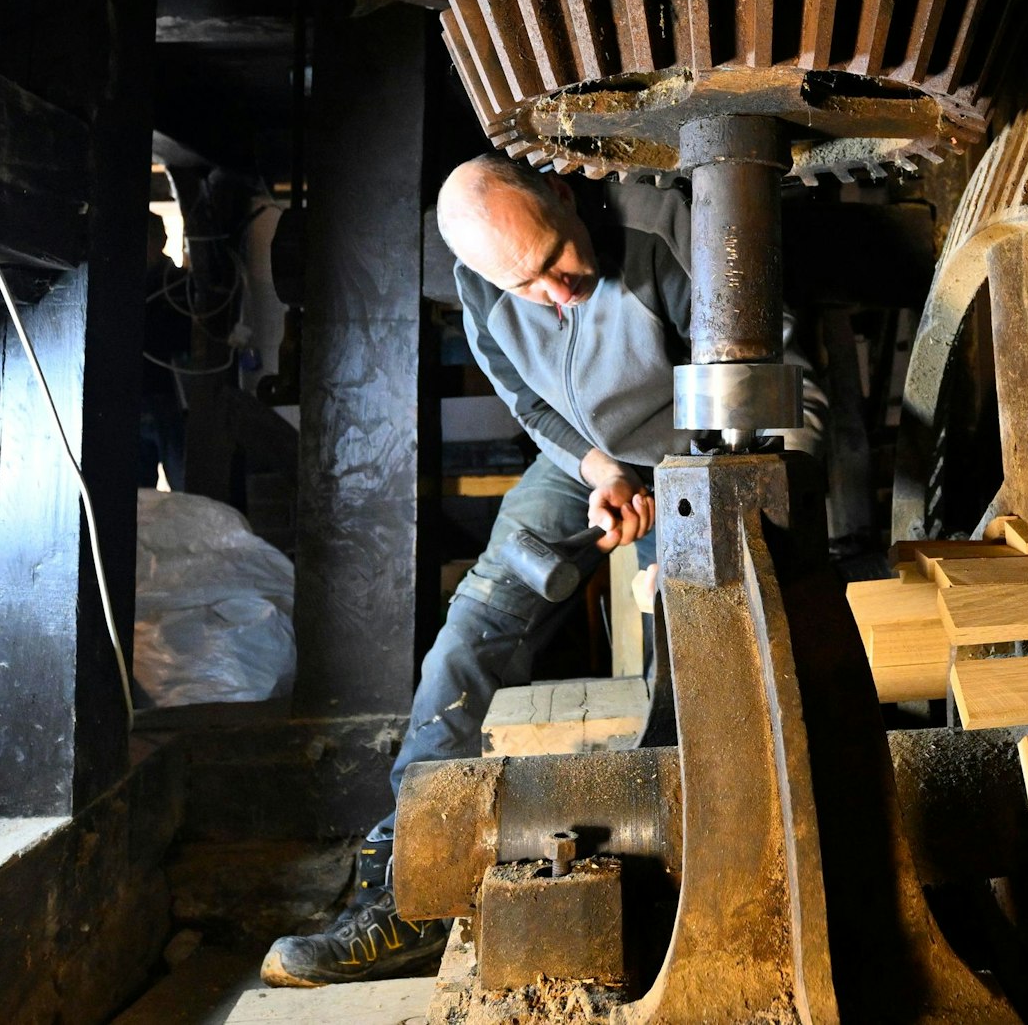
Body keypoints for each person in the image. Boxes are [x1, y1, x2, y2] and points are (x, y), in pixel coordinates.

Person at [261, 154, 823, 987]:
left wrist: (709, 529)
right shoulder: (486, 278)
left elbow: (783, 389)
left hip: (706, 456)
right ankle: (410, 884)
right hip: (588, 465)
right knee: (473, 628)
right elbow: (530, 405)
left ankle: (692, 860)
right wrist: (601, 473)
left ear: (562, 193)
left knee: (702, 625)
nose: (556, 294)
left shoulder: (660, 233)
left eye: (558, 261)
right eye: (528, 285)